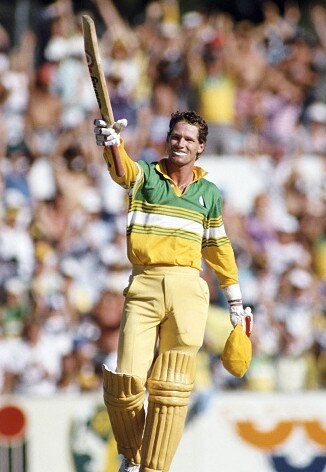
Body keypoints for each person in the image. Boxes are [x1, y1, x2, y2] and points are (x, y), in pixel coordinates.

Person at [93, 110, 253, 472]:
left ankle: (151, 469)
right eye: (175, 136)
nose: (180, 143)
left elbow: (218, 247)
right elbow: (123, 171)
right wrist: (112, 145)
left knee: (171, 388)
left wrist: (235, 301)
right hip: (145, 283)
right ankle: (132, 456)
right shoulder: (148, 175)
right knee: (126, 383)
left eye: (188, 139)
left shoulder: (208, 193)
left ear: (201, 147)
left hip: (188, 289)